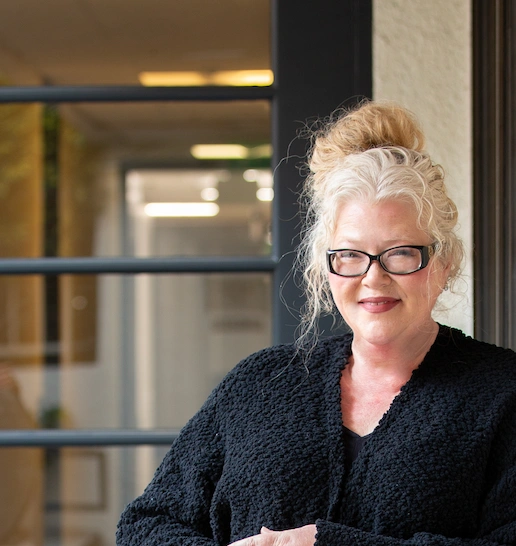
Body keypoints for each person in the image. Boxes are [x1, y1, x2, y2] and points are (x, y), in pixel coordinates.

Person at [116, 101, 516, 546]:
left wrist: (322, 543)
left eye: (401, 253)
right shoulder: (260, 383)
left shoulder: (502, 393)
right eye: (350, 255)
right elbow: (146, 524)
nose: (373, 277)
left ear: (444, 264)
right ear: (325, 270)